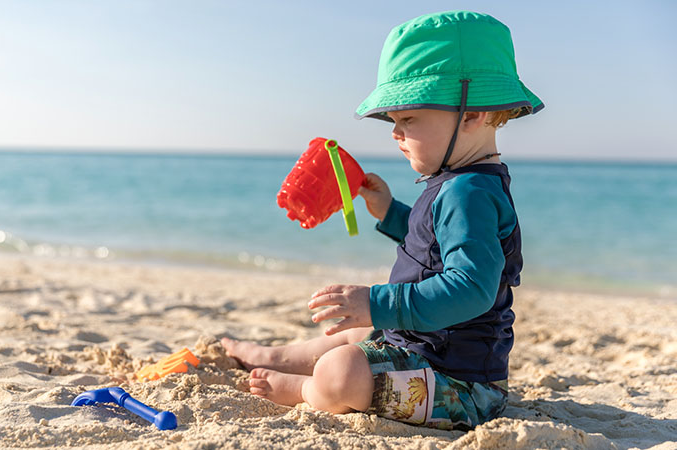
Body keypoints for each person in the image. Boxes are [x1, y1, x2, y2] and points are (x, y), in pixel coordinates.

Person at [222, 10, 543, 430]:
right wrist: (391, 214)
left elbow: (472, 288)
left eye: (408, 120)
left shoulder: (469, 192)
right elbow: (438, 246)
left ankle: (301, 389)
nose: (395, 133)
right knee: (353, 337)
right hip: (422, 350)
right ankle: (273, 356)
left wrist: (377, 303)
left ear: (471, 114)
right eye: (394, 122)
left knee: (342, 370)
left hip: (461, 385)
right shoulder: (459, 182)